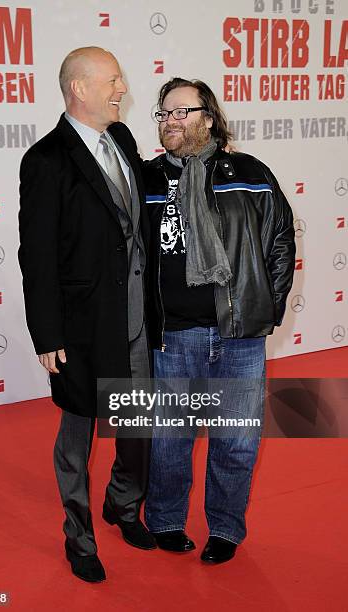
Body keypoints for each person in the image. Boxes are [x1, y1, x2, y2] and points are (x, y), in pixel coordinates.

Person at [143, 78, 295, 563]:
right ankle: (165, 520)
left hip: (237, 337)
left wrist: (264, 307)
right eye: (163, 113)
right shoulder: (145, 179)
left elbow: (279, 242)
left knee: (235, 444)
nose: (170, 121)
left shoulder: (248, 173)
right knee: (169, 442)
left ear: (208, 117)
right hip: (172, 336)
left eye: (180, 112)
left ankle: (225, 529)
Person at [18, 47, 156, 584]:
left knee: (137, 423)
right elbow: (38, 254)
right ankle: (79, 537)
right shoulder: (46, 160)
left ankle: (123, 505)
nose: (122, 88)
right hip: (80, 324)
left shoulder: (121, 140)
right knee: (78, 435)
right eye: (113, 80)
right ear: (79, 88)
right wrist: (47, 333)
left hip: (139, 316)